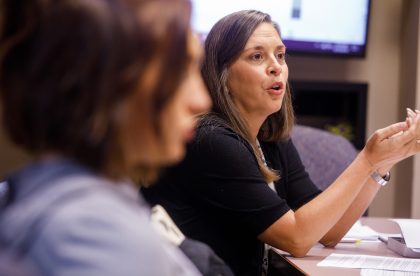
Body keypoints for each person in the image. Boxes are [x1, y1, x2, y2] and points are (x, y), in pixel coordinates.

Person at [142, 9, 420, 276]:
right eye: (257, 57)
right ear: (222, 76)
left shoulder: (270, 138)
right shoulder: (211, 141)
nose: (276, 67)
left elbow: (328, 231)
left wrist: (382, 163)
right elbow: (297, 238)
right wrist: (366, 160)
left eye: (280, 55)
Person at [0, 0, 212, 275]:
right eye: (181, 72)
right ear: (110, 84)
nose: (201, 101)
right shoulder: (95, 235)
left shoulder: (32, 194)